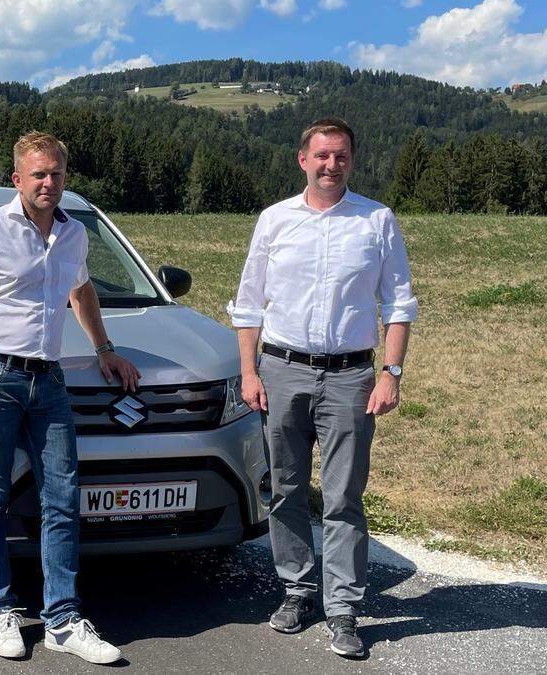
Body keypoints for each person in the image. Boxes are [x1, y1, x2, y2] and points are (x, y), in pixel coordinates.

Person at [0, 131, 139, 664]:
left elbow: (81, 289)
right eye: (38, 174)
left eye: (56, 174)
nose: (48, 182)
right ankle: (0, 609)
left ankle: (63, 619)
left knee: (62, 500)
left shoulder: (73, 235)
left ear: (66, 177)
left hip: (51, 380)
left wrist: (104, 347)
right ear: (17, 179)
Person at [227, 117, 418, 658]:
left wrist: (391, 373)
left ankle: (344, 609)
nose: (331, 165)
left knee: (343, 497)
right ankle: (296, 588)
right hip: (281, 369)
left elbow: (399, 304)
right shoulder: (274, 221)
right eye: (322, 156)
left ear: (351, 162)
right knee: (287, 488)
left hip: (352, 376)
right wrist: (248, 372)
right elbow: (248, 303)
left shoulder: (376, 220)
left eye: (341, 157)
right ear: (302, 160)